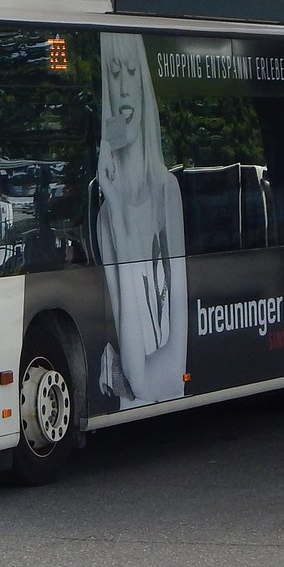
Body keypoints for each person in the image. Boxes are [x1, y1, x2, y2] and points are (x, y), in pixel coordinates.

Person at [96, 33, 188, 409]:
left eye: (131, 71)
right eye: (113, 73)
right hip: (133, 403)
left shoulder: (168, 191)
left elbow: (172, 365)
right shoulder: (107, 217)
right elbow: (137, 375)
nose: (122, 87)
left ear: (143, 84)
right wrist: (117, 215)